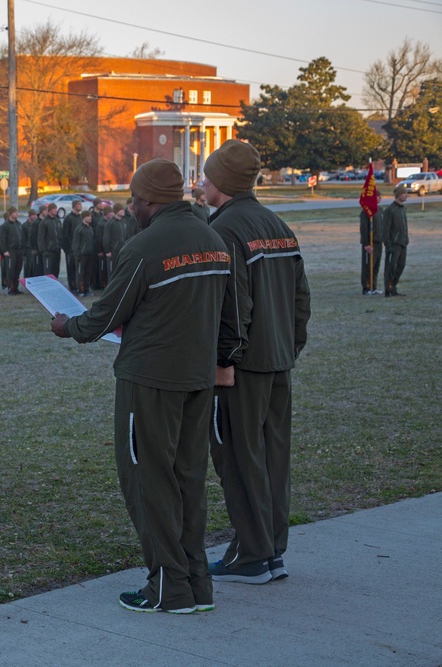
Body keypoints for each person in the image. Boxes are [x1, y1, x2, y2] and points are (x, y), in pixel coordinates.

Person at [51, 158, 230, 614]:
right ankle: (196, 585)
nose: (131, 207)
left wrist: (65, 325)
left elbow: (104, 317)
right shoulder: (213, 239)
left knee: (147, 481)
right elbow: (229, 312)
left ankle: (168, 588)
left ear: (149, 201)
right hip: (197, 379)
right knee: (189, 480)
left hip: (149, 380)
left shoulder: (144, 246)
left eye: (134, 200)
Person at [204, 139, 311, 585]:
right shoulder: (278, 224)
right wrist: (288, 347)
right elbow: (301, 300)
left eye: (207, 176)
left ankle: (251, 556)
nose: (201, 184)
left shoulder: (226, 228)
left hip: (242, 368)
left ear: (222, 182)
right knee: (273, 459)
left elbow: (234, 307)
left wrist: (224, 359)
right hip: (278, 361)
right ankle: (271, 551)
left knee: (239, 459)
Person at [383, 184, 409, 297]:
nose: (406, 195)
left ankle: (394, 286)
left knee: (401, 266)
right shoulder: (390, 210)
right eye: (404, 193)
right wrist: (388, 244)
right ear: (398, 195)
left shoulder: (403, 209)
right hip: (394, 244)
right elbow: (386, 228)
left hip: (403, 243)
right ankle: (388, 289)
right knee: (391, 267)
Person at [0, 207, 24, 294]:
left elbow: (22, 237)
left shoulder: (19, 224)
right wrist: (4, 250)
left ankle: (16, 287)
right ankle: (10, 288)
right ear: (11, 214)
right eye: (15, 212)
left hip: (19, 250)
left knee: (18, 270)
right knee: (11, 270)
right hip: (11, 251)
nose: (17, 214)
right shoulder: (5, 226)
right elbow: (2, 239)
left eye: (17, 212)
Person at [359, 192, 384, 295]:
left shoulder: (380, 210)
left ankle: (374, 286)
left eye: (380, 197)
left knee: (376, 266)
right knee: (368, 266)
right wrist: (366, 244)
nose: (379, 198)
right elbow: (364, 229)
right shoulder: (366, 212)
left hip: (378, 242)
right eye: (377, 196)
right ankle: (366, 287)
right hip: (370, 243)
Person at [71, 210, 97, 296]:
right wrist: (77, 254)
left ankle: (87, 288)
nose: (90, 218)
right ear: (84, 217)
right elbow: (76, 242)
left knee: (88, 272)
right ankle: (80, 289)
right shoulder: (79, 229)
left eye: (91, 216)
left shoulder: (90, 228)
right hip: (82, 255)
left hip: (90, 253)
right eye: (88, 216)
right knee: (80, 272)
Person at [62, 199, 83, 292]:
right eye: (78, 204)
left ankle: (79, 285)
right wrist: (67, 248)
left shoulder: (81, 217)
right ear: (74, 205)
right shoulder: (68, 218)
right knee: (71, 268)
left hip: (80, 248)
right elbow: (64, 234)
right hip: (70, 248)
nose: (80, 205)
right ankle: (72, 286)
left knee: (78, 268)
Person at [38, 203, 62, 279]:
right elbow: (41, 237)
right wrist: (44, 250)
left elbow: (60, 235)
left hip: (57, 250)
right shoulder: (44, 222)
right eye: (54, 209)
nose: (56, 210)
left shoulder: (58, 221)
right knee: (48, 270)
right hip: (48, 251)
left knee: (56, 270)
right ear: (50, 210)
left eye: (56, 209)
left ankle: (55, 285)